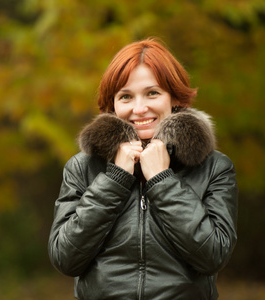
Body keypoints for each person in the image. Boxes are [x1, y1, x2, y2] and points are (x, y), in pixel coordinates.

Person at [48, 38, 238, 300]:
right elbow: (65, 258)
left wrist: (162, 180)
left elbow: (213, 255)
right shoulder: (82, 168)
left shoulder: (214, 167)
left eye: (152, 93)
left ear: (174, 98)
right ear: (112, 104)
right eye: (126, 96)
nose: (139, 109)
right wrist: (115, 179)